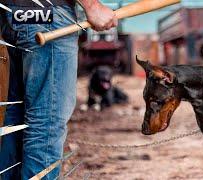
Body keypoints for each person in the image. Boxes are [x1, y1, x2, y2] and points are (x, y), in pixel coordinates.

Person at [0, 0, 117, 179]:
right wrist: (92, 5)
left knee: (17, 119)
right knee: (46, 122)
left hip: (13, 14)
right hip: (49, 17)